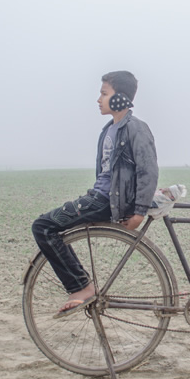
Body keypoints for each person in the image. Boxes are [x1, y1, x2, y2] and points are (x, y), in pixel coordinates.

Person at [31, 70, 159, 317]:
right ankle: (81, 286)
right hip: (100, 197)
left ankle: (81, 287)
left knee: (43, 227)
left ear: (120, 97)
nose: (98, 99)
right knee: (45, 226)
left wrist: (140, 211)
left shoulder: (136, 128)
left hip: (107, 201)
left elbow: (148, 170)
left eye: (104, 93)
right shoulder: (108, 130)